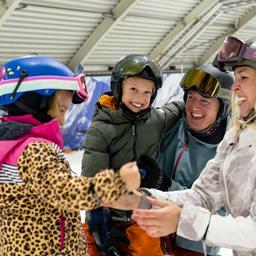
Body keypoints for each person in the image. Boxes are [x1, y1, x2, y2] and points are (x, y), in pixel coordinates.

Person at [109, 36, 256, 256]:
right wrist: (143, 198)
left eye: (243, 77)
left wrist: (183, 220)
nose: (235, 86)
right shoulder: (236, 138)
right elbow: (203, 196)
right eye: (235, 77)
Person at [0, 55, 141, 256]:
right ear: (37, 97)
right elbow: (63, 191)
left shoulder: (10, 144)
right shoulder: (34, 149)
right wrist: (117, 183)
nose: (67, 106)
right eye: (62, 102)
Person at [81, 54, 183, 256]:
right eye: (133, 89)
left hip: (142, 215)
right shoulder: (102, 128)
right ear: (119, 88)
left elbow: (177, 108)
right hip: (106, 216)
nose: (139, 98)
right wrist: (101, 230)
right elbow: (92, 181)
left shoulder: (156, 119)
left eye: (147, 92)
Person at [155, 64, 233, 256]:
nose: (194, 107)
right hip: (155, 236)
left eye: (205, 101)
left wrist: (165, 185)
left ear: (222, 108)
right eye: (191, 97)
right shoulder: (173, 126)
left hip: (193, 246)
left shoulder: (229, 153)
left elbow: (216, 213)